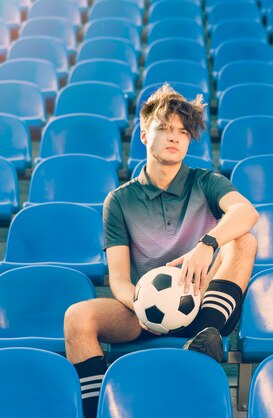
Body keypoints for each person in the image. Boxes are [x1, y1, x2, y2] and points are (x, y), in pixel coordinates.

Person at [63, 84, 259, 418]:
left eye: (183, 131)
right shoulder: (120, 200)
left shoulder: (205, 181)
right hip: (144, 312)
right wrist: (143, 305)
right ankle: (97, 412)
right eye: (165, 128)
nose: (175, 137)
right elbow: (121, 280)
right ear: (143, 135)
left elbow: (247, 213)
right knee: (77, 317)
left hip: (202, 300)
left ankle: (204, 335)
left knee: (243, 240)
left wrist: (206, 244)